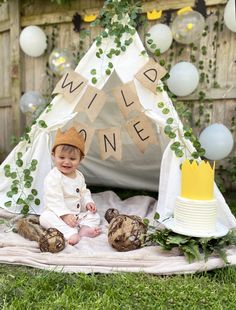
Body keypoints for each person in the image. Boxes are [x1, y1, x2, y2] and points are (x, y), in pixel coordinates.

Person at [40, 127, 101, 246]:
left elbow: (84, 191)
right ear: (53, 155)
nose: (66, 162)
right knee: (45, 217)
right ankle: (69, 232)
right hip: (58, 214)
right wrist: (65, 215)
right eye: (61, 157)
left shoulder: (79, 175)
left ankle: (84, 229)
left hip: (76, 215)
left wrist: (88, 202)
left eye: (72, 159)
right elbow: (54, 199)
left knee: (94, 215)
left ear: (80, 159)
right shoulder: (53, 177)